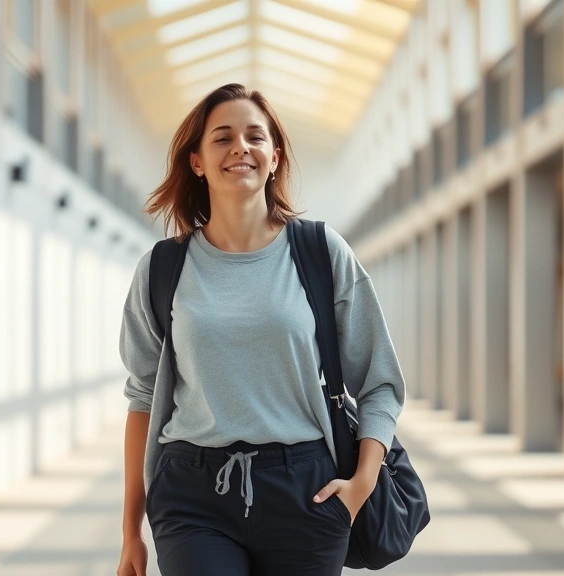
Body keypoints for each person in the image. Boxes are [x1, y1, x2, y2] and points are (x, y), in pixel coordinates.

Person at [117, 83, 406, 576]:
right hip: (192, 494)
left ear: (275, 157)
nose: (240, 148)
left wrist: (360, 485)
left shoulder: (322, 252)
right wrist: (130, 533)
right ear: (197, 162)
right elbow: (142, 396)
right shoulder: (162, 268)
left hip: (307, 492)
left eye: (255, 137)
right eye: (222, 137)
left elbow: (379, 382)